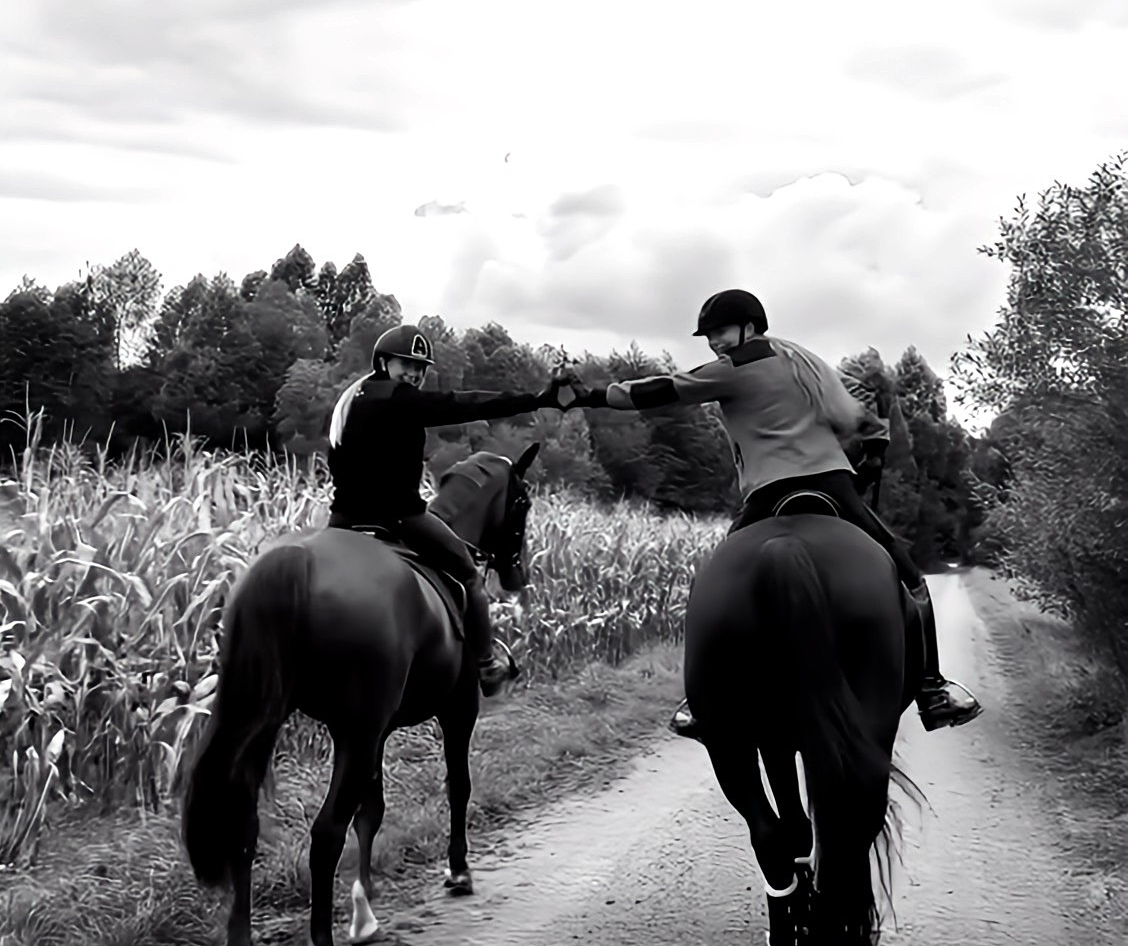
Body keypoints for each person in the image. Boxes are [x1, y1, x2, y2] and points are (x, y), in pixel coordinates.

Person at [573, 289, 981, 737]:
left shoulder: (733, 369)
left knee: (716, 588)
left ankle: (705, 699)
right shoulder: (806, 364)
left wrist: (589, 396)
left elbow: (660, 390)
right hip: (835, 487)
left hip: (767, 495)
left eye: (720, 332)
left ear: (749, 327)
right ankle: (932, 689)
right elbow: (863, 420)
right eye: (708, 336)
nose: (714, 342)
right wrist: (874, 454)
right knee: (910, 577)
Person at [327, 324, 576, 696]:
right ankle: (486, 665)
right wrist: (535, 399)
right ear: (383, 362)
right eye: (406, 364)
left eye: (419, 367)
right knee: (468, 576)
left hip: (342, 520)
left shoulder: (353, 400)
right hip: (399, 517)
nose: (414, 373)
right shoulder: (401, 399)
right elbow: (468, 403)